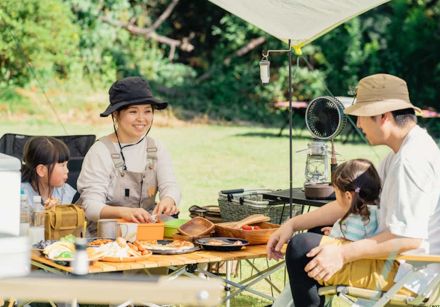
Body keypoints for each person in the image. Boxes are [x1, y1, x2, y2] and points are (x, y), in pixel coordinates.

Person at [267, 73, 440, 306]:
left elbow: (408, 240)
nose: (358, 124)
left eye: (361, 116)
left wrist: (341, 253)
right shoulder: (400, 153)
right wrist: (293, 224)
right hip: (397, 264)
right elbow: (351, 203)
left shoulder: (411, 161)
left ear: (383, 116)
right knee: (313, 234)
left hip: (407, 273)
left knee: (301, 248)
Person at [77, 76, 181, 236]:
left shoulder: (156, 148)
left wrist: (169, 200)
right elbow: (90, 207)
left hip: (148, 237)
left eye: (147, 111)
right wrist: (124, 212)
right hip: (105, 240)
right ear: (116, 115)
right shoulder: (100, 151)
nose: (141, 118)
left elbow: (170, 185)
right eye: (133, 111)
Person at [322, 159, 381, 241]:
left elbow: (346, 246)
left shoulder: (350, 222)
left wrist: (334, 235)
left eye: (335, 192)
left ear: (348, 196)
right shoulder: (378, 213)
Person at [21, 136, 76, 209]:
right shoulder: (21, 196)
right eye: (62, 165)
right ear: (41, 170)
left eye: (66, 164)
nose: (67, 170)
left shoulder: (64, 193)